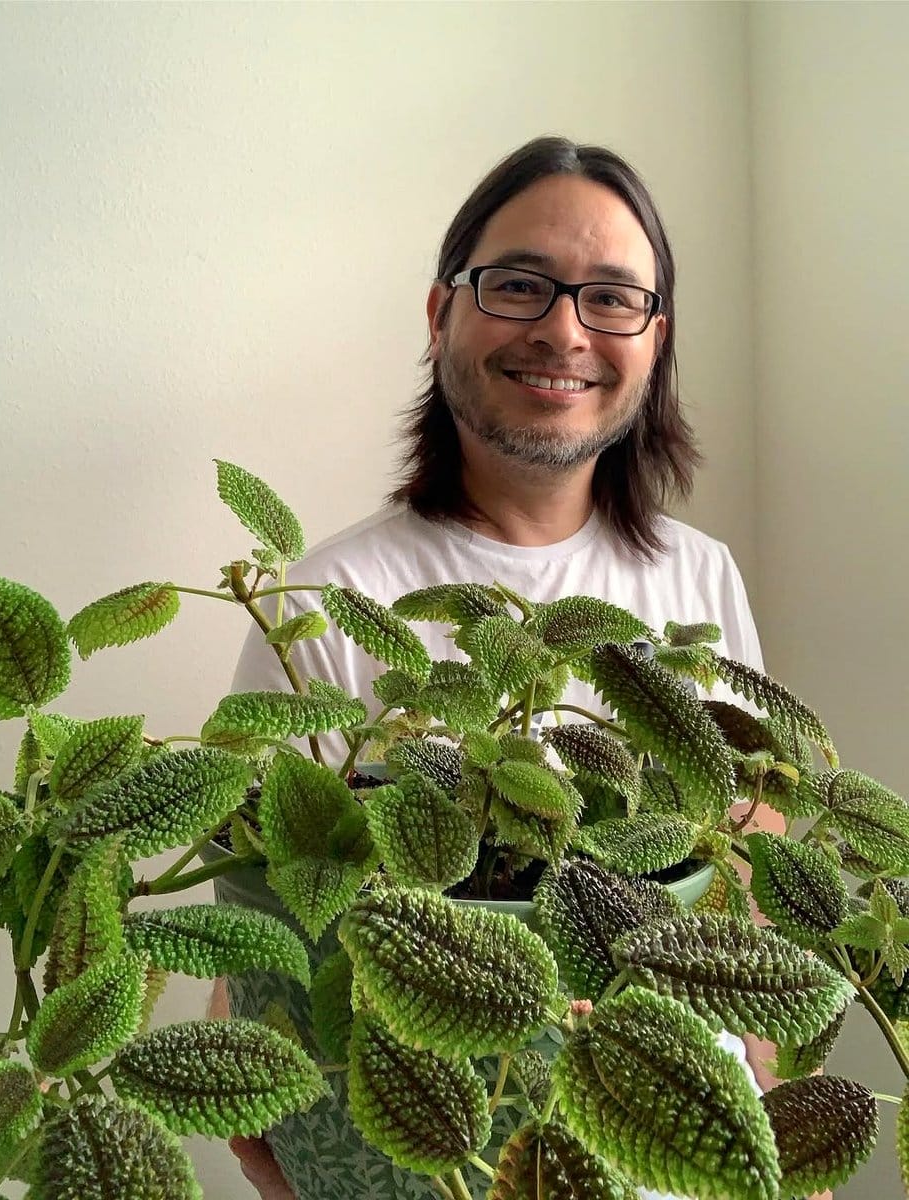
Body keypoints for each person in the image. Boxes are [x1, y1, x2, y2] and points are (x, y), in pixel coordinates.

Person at [224, 136, 805, 1200]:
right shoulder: (323, 604)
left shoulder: (700, 581)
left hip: (678, 1151)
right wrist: (285, 1158)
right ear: (443, 312)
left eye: (612, 298)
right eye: (521, 284)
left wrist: (782, 1155)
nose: (564, 330)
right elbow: (272, 926)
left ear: (654, 339)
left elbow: (748, 888)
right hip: (446, 1159)